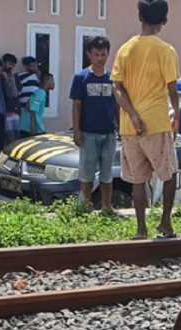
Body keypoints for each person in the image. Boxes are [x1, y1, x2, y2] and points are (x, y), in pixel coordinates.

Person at [112, 0, 181, 241]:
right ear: (164, 21)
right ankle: (165, 224)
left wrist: (132, 114)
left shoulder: (125, 49)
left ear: (139, 16)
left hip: (130, 126)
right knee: (169, 174)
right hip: (157, 121)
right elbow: (172, 89)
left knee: (137, 180)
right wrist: (177, 116)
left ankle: (141, 230)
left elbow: (117, 89)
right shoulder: (166, 50)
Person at [71, 35, 117, 210]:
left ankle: (107, 206)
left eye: (103, 54)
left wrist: (121, 128)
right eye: (96, 54)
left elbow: (117, 106)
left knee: (107, 172)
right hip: (88, 133)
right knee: (87, 171)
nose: (100, 58)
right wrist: (77, 131)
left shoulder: (113, 78)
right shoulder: (81, 78)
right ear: (89, 54)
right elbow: (76, 106)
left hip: (109, 133)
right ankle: (86, 204)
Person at [23, 72, 53, 137]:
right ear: (47, 81)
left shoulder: (38, 92)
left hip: (26, 126)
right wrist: (32, 128)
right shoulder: (41, 93)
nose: (54, 83)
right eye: (52, 80)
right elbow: (33, 110)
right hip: (32, 129)